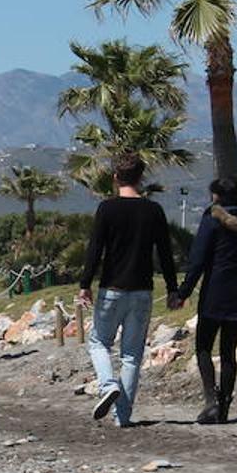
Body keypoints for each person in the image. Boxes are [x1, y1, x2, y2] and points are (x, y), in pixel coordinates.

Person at [77, 152, 182, 427]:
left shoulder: (107, 209)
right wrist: (172, 288)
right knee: (132, 355)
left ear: (115, 178)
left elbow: (95, 249)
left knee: (99, 342)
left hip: (112, 287)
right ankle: (123, 415)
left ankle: (107, 384)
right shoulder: (154, 210)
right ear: (141, 178)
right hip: (142, 290)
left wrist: (85, 284)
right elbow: (165, 254)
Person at [171, 178, 237, 424]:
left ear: (217, 197)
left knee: (203, 346)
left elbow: (198, 259)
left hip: (216, 290)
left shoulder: (212, 219)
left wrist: (183, 293)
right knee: (228, 351)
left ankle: (211, 401)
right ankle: (224, 407)